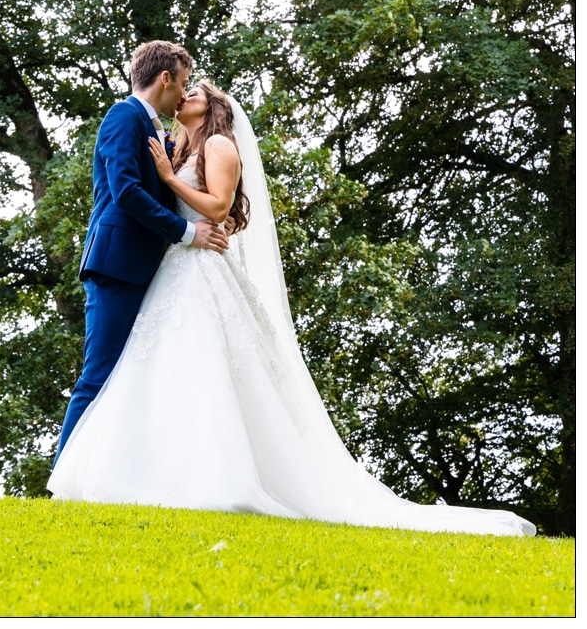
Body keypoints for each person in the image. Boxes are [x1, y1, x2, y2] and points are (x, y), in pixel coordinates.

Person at [47, 80, 536, 537]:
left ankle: (218, 478)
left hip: (202, 268)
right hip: (173, 268)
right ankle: (153, 473)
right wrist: (170, 174)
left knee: (205, 369)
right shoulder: (179, 146)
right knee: (161, 373)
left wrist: (170, 180)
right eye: (185, 87)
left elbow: (217, 208)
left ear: (212, 107)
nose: (184, 98)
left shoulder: (219, 146)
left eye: (194, 92)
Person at [54, 42, 228, 467]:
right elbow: (126, 191)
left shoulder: (162, 133)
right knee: (98, 376)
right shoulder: (124, 116)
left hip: (150, 270)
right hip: (117, 264)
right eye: (183, 83)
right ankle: (64, 478)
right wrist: (188, 233)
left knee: (132, 381)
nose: (183, 94)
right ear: (165, 78)